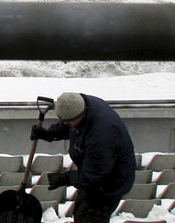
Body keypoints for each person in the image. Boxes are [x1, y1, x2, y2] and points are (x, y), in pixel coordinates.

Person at [31, 92, 135, 223]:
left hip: (109, 184)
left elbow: (92, 175)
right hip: (96, 179)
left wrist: (65, 178)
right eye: (62, 120)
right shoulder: (79, 103)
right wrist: (51, 133)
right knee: (81, 212)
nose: (66, 124)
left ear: (82, 114)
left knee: (89, 217)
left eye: (69, 121)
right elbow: (68, 121)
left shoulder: (102, 136)